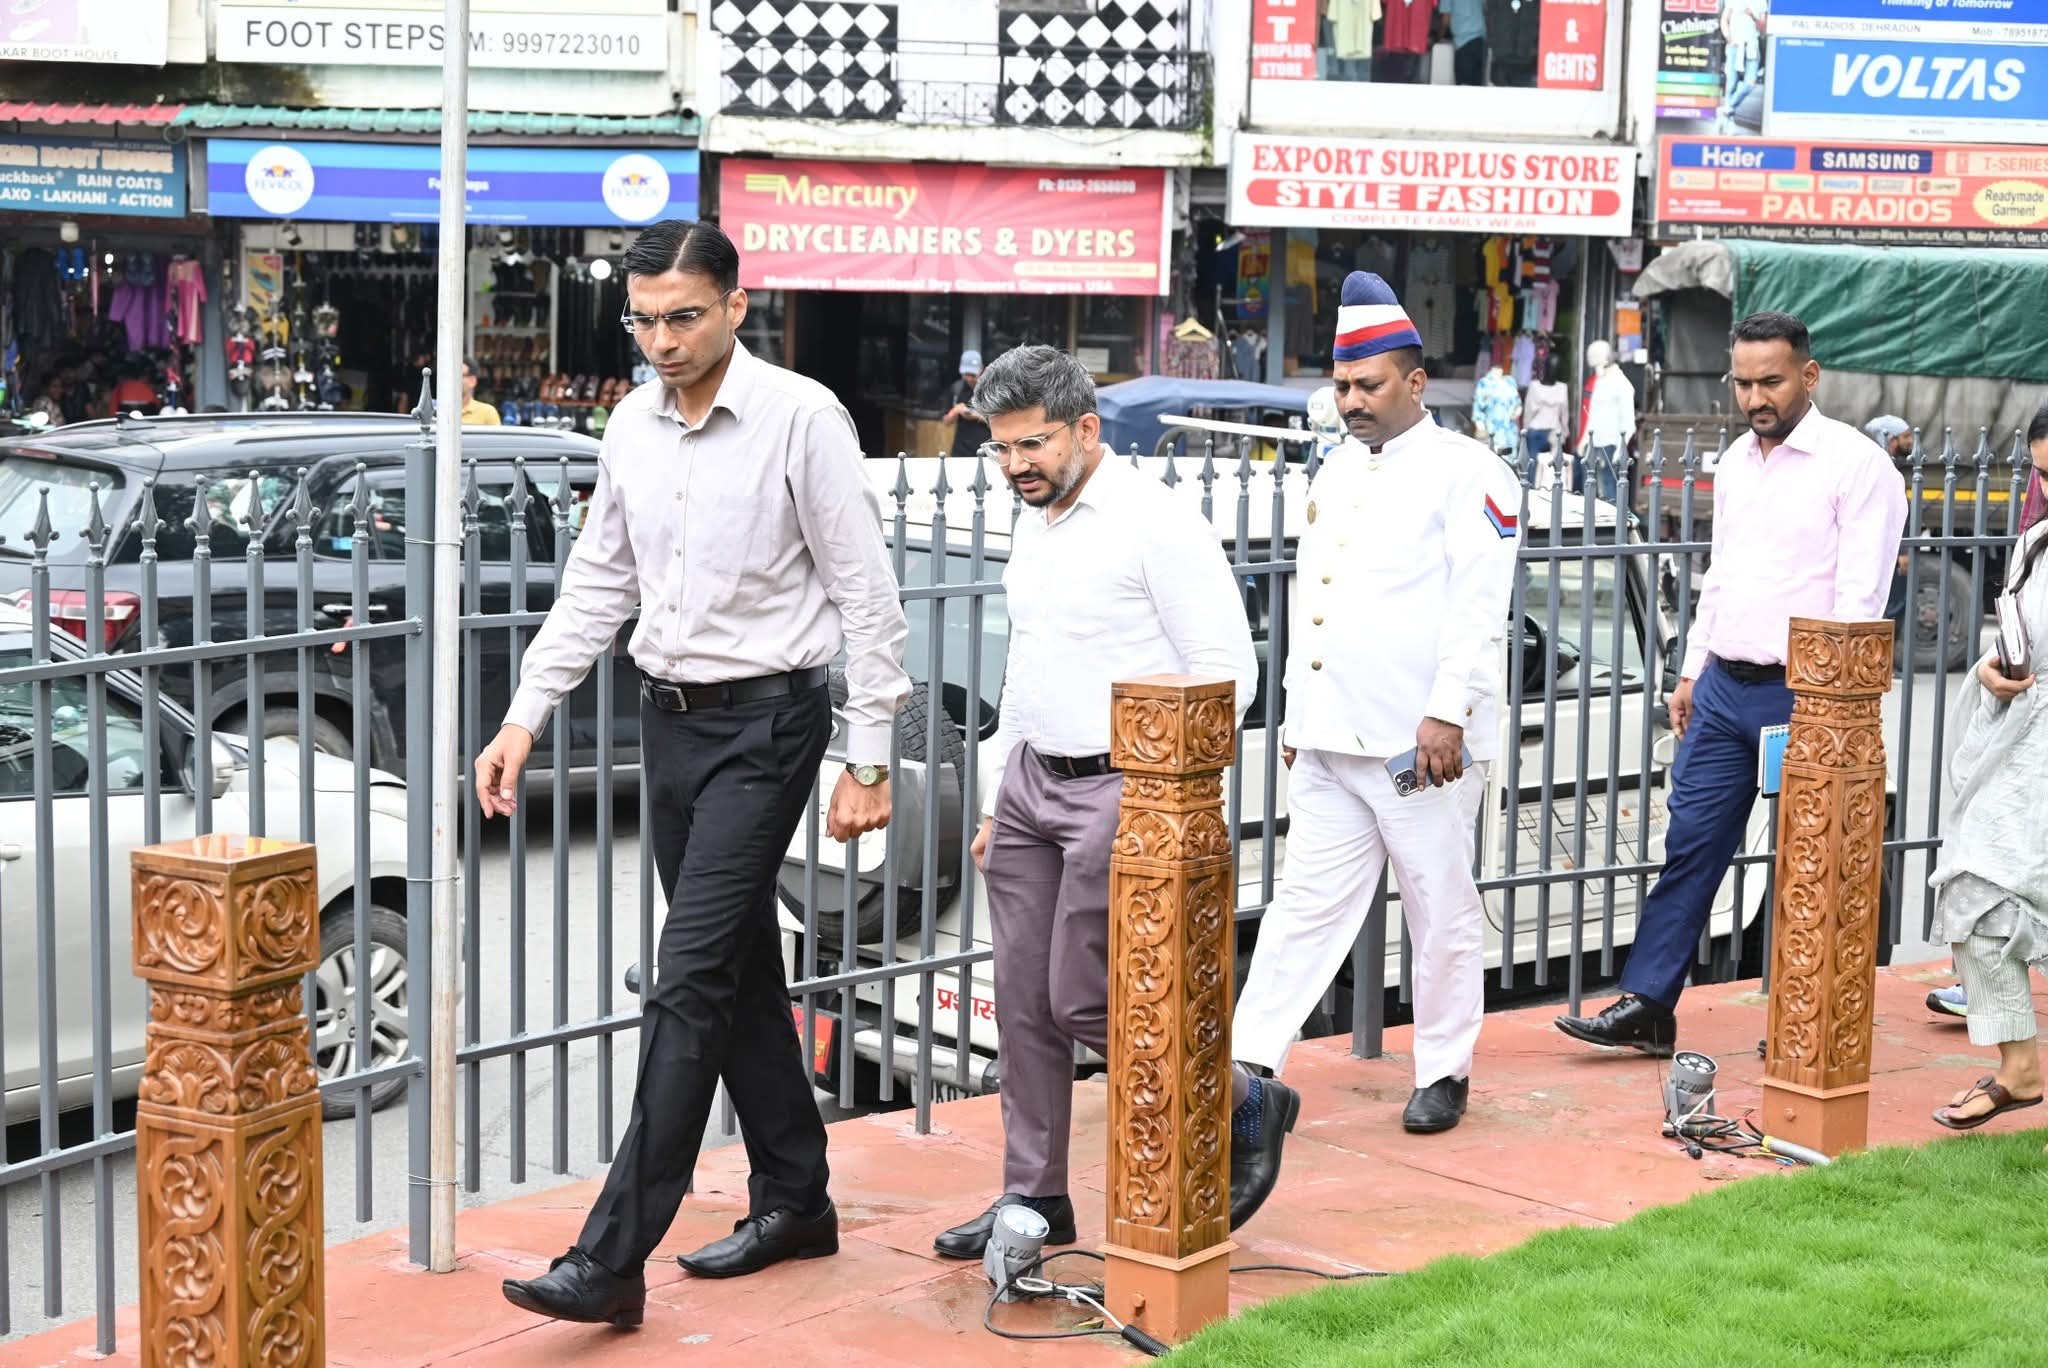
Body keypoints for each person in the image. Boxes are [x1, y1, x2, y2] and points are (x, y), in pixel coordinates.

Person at [484, 219, 910, 1328]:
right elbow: (597, 584)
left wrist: (868, 755)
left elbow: (866, 595)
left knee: (684, 981)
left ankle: (610, 1258)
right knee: (737, 970)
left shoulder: (800, 418)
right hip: (666, 726)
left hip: (769, 726)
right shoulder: (631, 423)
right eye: (643, 321)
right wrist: (526, 714)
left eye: (682, 317)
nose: (662, 341)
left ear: (734, 305)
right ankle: (797, 1198)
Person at [931, 345, 1257, 1260]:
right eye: (999, 448)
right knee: (1021, 1004)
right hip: (1031, 782)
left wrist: (1166, 799)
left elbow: (1228, 673)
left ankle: (1241, 1098)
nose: (1014, 466)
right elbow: (1027, 667)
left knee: (1087, 1000)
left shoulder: (1156, 523)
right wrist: (996, 797)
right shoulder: (1036, 522)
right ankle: (1033, 1197)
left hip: (1129, 784)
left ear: (1084, 427)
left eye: (1030, 444)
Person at [1227, 271, 1524, 1227]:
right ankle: (1249, 1064)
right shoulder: (1336, 470)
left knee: (1439, 906)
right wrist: (1297, 720)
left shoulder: (1471, 472)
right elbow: (1314, 606)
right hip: (1331, 736)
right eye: (1343, 386)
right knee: (1304, 905)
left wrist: (1448, 713)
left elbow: (1478, 607)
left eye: (1368, 385)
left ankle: (1443, 1068)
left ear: (1416, 381)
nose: (1350, 401)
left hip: (1415, 742)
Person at [1555, 312, 1909, 1055]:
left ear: (1809, 375)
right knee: (1690, 843)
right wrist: (1692, 669)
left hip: (1807, 692)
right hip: (1723, 689)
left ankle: (1813, 1020)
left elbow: (1860, 599)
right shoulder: (1737, 462)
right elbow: (1723, 574)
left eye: (1770, 381)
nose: (1754, 398)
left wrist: (1832, 701)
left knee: (1815, 858)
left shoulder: (1856, 465)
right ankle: (1649, 1004)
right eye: (1743, 383)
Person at [1927, 402, 2048, 1132]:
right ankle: (2021, 1067)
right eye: (2043, 473)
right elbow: (2021, 638)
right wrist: (1990, 670)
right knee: (1974, 886)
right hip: (2025, 740)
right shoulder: (2035, 541)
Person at [1520, 357, 1570, 483]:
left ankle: (1531, 489)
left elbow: (1528, 411)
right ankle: (1547, 489)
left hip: (1539, 431)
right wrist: (1565, 430)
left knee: (1533, 465)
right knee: (1552, 466)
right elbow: (1564, 413)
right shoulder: (1562, 388)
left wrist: (1524, 429)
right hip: (1552, 431)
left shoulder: (1535, 387)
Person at [943, 350, 990, 459]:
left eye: (973, 375)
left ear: (981, 369)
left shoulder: (990, 389)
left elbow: (999, 420)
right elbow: (946, 421)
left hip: (986, 450)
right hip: (960, 451)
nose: (969, 379)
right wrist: (955, 411)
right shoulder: (956, 388)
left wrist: (975, 416)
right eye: (966, 374)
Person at [461, 357, 501, 425]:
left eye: (458, 375)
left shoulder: (487, 412)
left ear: (472, 381)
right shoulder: (440, 410)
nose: (451, 379)